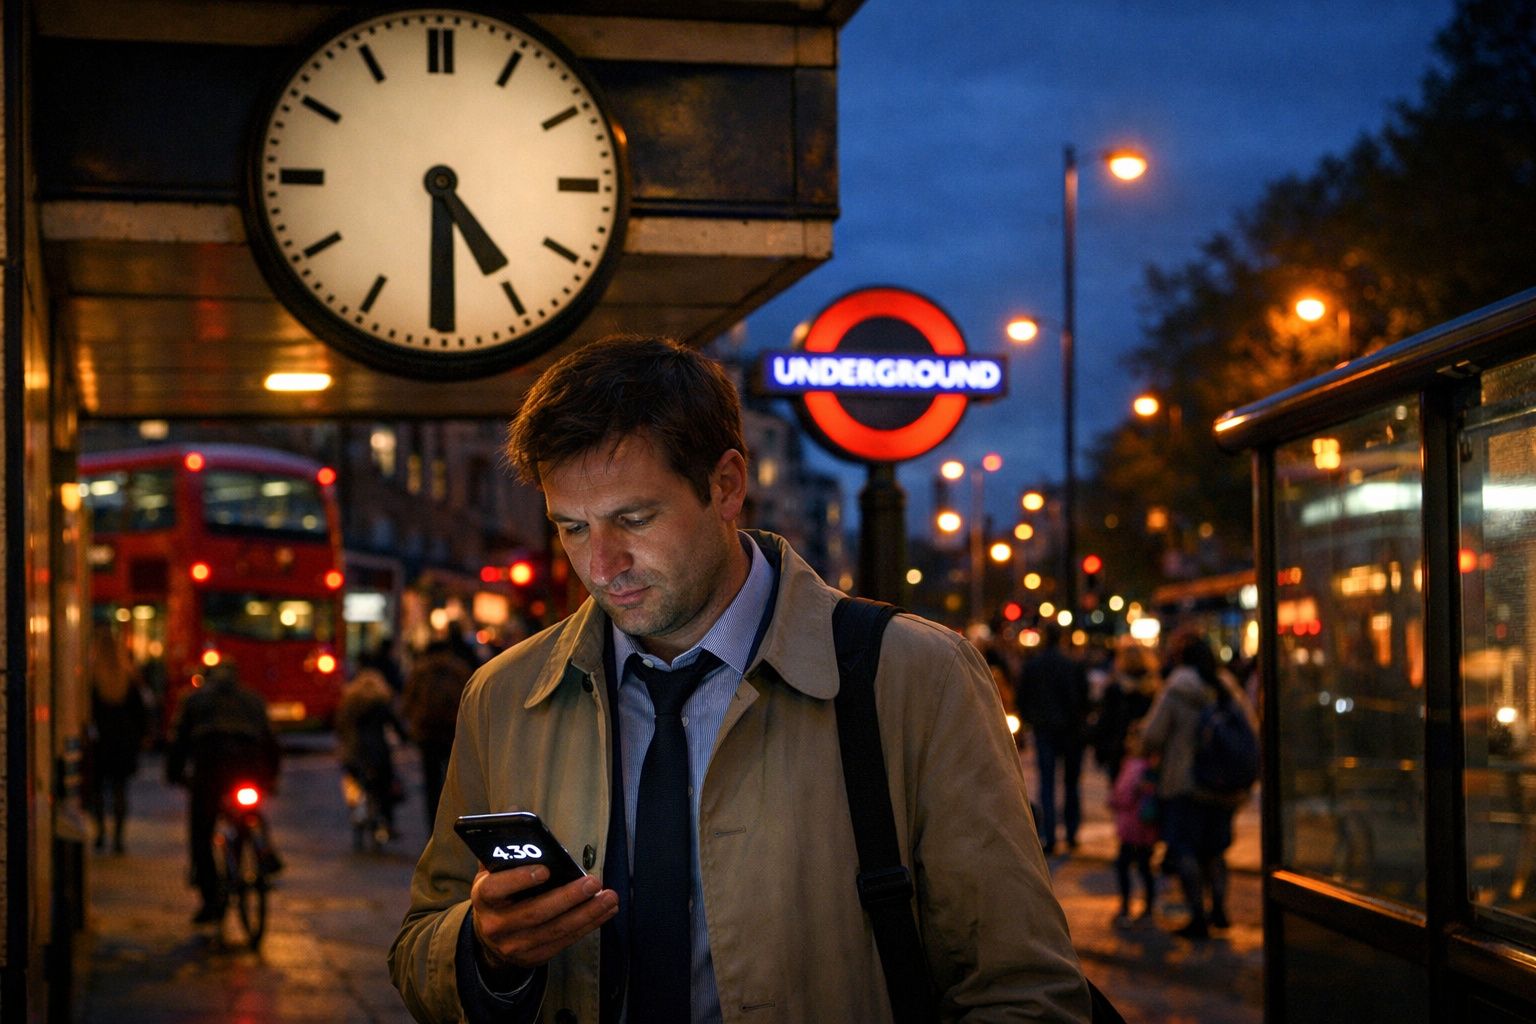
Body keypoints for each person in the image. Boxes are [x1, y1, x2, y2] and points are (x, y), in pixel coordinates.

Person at [389, 336, 1090, 1023]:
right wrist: (486, 952)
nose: (601, 566)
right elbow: (418, 945)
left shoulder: (916, 676)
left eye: (633, 519)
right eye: (571, 528)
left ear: (727, 485)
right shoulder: (503, 695)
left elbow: (1022, 988)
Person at [1140, 630, 1256, 940]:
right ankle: (1219, 908)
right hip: (1223, 786)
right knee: (1215, 851)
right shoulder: (1226, 685)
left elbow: (1152, 736)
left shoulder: (1177, 687)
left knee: (1185, 848)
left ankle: (1198, 915)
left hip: (1184, 784)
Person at [165, 660, 281, 923]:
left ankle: (210, 894)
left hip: (210, 770)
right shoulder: (253, 700)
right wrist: (271, 778)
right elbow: (270, 741)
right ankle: (267, 854)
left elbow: (179, 742)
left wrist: (175, 773)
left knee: (202, 831)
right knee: (250, 812)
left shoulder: (194, 701)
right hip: (247, 767)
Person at [1019, 621, 1091, 855]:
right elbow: (1082, 698)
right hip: (1070, 731)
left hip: (1045, 729)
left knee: (1047, 784)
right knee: (1071, 783)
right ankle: (1071, 833)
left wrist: (1032, 718)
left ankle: (1050, 835)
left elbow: (1023, 697)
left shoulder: (1033, 665)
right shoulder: (1072, 665)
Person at [86, 622, 148, 853]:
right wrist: (142, 736)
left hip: (101, 740)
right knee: (121, 790)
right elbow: (140, 711)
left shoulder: (92, 676)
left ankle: (100, 833)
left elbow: (87, 711)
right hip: (124, 739)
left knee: (98, 789)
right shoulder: (128, 675)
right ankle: (119, 839)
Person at [401, 637, 473, 831]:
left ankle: (433, 825)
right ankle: (454, 824)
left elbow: (408, 698)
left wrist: (409, 721)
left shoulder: (420, 670)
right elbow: (469, 697)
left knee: (431, 780)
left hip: (427, 731)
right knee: (454, 782)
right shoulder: (459, 669)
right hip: (452, 730)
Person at [337, 667, 408, 844]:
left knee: (353, 784)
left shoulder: (349, 703)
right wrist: (406, 738)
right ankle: (386, 823)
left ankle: (357, 812)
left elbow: (340, 726)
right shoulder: (380, 702)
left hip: (353, 753)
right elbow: (396, 726)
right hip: (377, 753)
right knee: (385, 785)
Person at [1107, 722, 1159, 927]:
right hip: (1144, 829)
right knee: (1144, 867)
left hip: (1132, 828)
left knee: (1124, 865)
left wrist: (1113, 800)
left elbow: (1124, 795)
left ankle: (1126, 906)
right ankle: (1147, 907)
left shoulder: (1134, 765)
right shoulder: (1149, 765)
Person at [1092, 637, 1161, 785]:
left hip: (1119, 748)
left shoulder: (1115, 688)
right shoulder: (1153, 688)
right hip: (1143, 749)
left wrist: (1101, 750)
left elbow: (1106, 721)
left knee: (1121, 792)